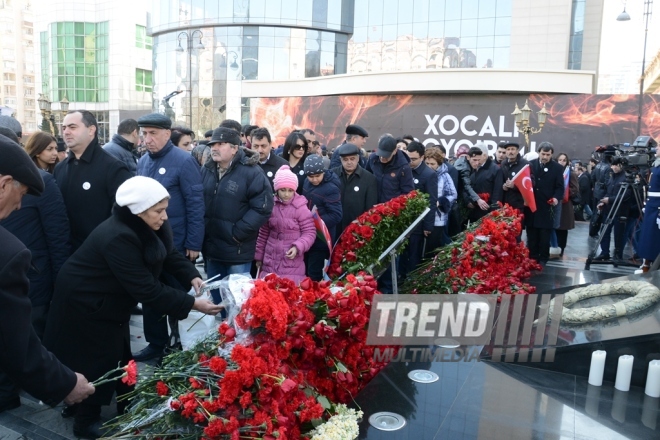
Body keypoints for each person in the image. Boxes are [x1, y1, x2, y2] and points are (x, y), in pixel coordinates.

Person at [43, 176, 222, 438]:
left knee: (118, 354)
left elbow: (168, 251)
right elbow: (147, 289)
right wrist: (194, 304)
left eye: (165, 209)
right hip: (86, 302)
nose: (164, 217)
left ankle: (121, 404)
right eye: (158, 211)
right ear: (138, 210)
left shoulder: (146, 224)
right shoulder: (118, 236)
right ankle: (85, 419)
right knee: (95, 359)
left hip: (108, 302)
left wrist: (189, 275)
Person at [0, 135, 94, 414]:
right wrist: (65, 384)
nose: (19, 206)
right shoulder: (8, 254)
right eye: (23, 195)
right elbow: (14, 341)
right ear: (4, 185)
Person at [134, 113, 205, 361]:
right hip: (149, 242)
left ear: (167, 134)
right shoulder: (143, 161)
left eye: (153, 133)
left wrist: (194, 243)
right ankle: (156, 342)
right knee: (152, 295)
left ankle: (180, 342)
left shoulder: (184, 161)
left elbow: (195, 203)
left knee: (177, 294)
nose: (147, 139)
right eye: (144, 133)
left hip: (177, 243)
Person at [201, 127, 273, 303]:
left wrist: (237, 233)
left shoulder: (252, 172)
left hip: (237, 250)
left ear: (235, 148)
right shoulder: (207, 169)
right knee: (217, 301)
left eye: (221, 144)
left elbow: (262, 207)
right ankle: (222, 330)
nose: (214, 148)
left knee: (238, 303)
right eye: (212, 144)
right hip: (212, 249)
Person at [55, 110, 132, 251]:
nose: (66, 132)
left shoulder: (113, 168)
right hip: (66, 252)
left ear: (91, 130)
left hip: (101, 254)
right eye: (64, 127)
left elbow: (125, 216)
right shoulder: (60, 168)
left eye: (72, 127)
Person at [366, 135, 414, 293]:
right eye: (380, 154)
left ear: (395, 151)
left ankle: (388, 291)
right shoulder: (373, 159)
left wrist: (390, 208)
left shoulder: (403, 167)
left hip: (392, 218)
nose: (382, 158)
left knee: (390, 256)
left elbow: (408, 195)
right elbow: (366, 178)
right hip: (372, 216)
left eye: (386, 155)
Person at [255, 166, 316, 284]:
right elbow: (263, 233)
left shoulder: (300, 208)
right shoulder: (271, 206)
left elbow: (310, 232)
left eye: (290, 190)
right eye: (283, 190)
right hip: (269, 262)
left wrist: (298, 246)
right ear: (276, 190)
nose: (287, 194)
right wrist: (259, 256)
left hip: (291, 265)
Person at [400, 141, 437, 277]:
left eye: (414, 159)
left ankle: (411, 284)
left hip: (418, 223)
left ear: (422, 157)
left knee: (414, 256)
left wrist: (428, 225)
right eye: (408, 158)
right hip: (403, 222)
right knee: (401, 256)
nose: (410, 161)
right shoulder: (404, 170)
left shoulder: (429, 174)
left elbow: (431, 201)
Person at [302, 154, 342, 281]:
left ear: (323, 172)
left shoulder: (331, 188)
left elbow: (336, 215)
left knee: (314, 275)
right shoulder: (306, 182)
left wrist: (314, 222)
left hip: (321, 240)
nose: (314, 180)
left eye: (317, 176)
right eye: (310, 176)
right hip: (307, 236)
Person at [525, 142, 564, 265]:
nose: (545, 157)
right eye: (543, 154)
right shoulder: (530, 165)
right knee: (531, 234)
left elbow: (560, 187)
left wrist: (556, 198)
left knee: (544, 236)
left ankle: (543, 258)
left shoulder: (557, 168)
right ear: (538, 153)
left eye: (548, 154)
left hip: (547, 206)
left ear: (552, 154)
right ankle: (532, 257)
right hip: (532, 205)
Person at [330, 143, 378, 237]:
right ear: (341, 160)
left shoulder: (369, 179)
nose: (349, 162)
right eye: (345, 159)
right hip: (335, 228)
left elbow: (370, 208)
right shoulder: (332, 175)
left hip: (357, 229)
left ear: (358, 158)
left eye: (352, 159)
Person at [594, 156, 631, 261]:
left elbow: (626, 195)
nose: (614, 167)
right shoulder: (611, 177)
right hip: (608, 210)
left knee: (618, 234)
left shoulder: (626, 177)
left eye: (616, 165)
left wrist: (610, 200)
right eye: (613, 165)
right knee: (604, 232)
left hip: (620, 211)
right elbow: (608, 191)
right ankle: (604, 252)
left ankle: (618, 254)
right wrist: (602, 202)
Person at [424, 147, 457, 254]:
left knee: (432, 247)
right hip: (422, 216)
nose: (429, 166)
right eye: (427, 163)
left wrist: (441, 202)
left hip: (438, 218)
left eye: (432, 164)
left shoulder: (445, 176)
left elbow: (453, 194)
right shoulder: (423, 174)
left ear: (438, 163)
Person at [637, 142, 660, 271]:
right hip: (652, 205)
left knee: (654, 238)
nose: (656, 148)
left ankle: (653, 265)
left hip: (657, 207)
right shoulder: (656, 166)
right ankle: (646, 263)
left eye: (659, 146)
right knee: (648, 237)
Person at [466, 144, 503, 222]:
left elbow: (497, 192)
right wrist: (468, 201)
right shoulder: (470, 166)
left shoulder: (495, 169)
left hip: (487, 211)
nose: (475, 159)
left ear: (484, 155)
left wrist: (493, 211)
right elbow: (466, 186)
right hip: (471, 210)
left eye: (478, 156)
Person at [555, 153, 579, 257]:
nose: (561, 162)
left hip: (565, 204)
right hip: (554, 202)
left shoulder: (570, 173)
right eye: (560, 160)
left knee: (562, 228)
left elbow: (575, 189)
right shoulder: (554, 171)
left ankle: (561, 248)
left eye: (564, 160)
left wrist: (565, 192)